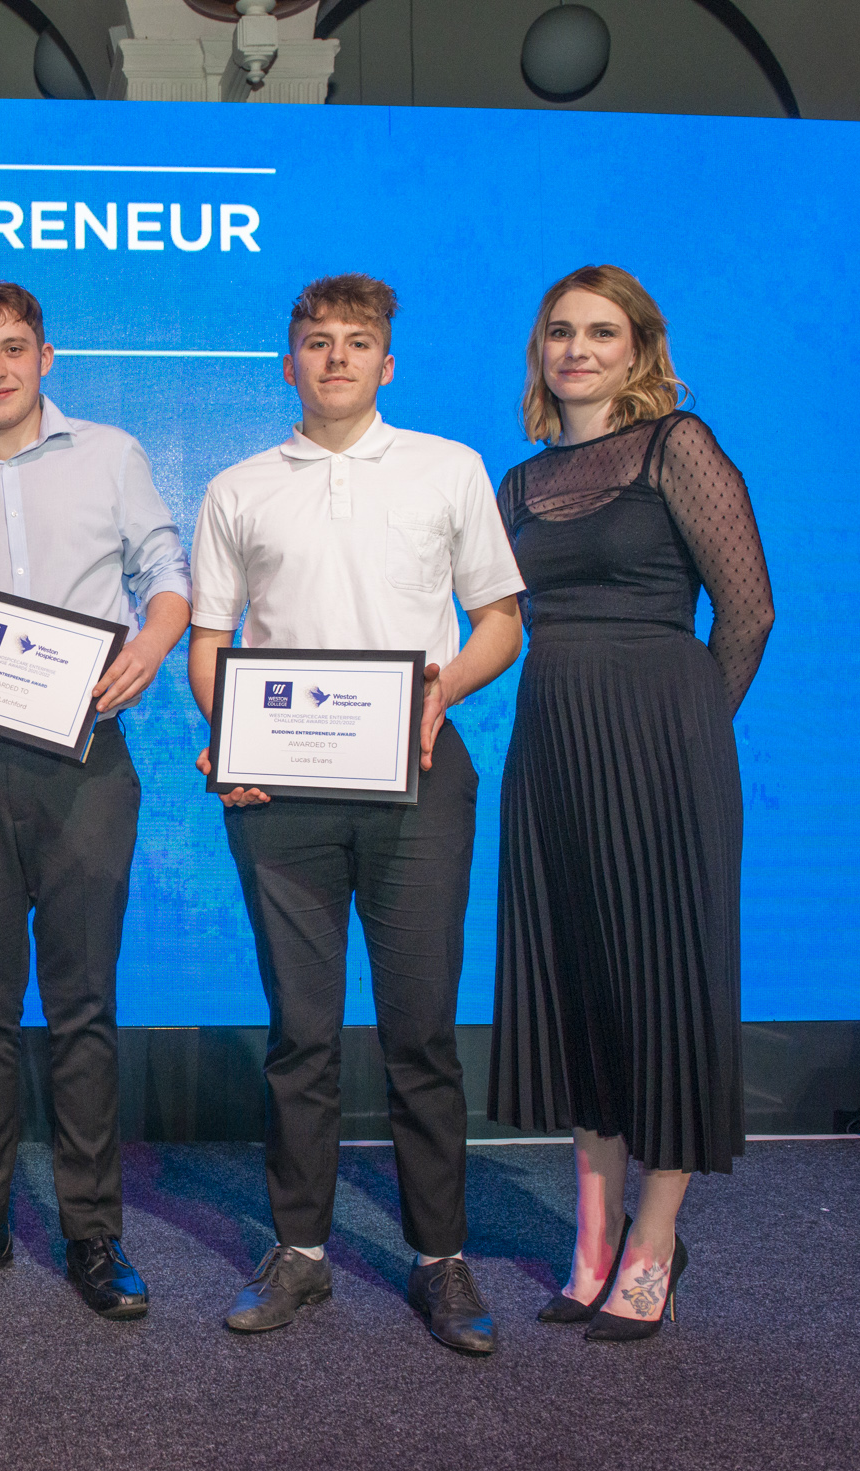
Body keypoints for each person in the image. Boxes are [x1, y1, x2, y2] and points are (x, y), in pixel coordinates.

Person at [188, 273, 524, 1354]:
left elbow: (499, 622)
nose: (336, 357)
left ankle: (441, 1261)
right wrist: (230, 737)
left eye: (356, 342)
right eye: (316, 342)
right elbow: (208, 643)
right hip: (279, 792)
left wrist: (441, 690)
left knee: (421, 1031)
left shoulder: (448, 468)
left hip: (419, 777)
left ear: (388, 363)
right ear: (288, 363)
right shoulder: (238, 487)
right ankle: (302, 1253)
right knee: (301, 1031)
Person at [0, 282, 191, 1321]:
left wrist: (150, 648)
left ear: (46, 356)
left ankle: (93, 1234)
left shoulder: (109, 455)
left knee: (81, 1009)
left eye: (14, 349)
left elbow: (165, 569)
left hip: (84, 765)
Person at [487, 266, 773, 1342]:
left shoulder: (676, 448)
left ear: (639, 347)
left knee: (667, 986)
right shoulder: (515, 484)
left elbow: (747, 611)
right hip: (551, 748)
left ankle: (653, 1245)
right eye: (559, 330)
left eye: (601, 332)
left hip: (662, 749)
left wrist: (690, 723)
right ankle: (592, 1242)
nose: (576, 349)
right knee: (578, 989)